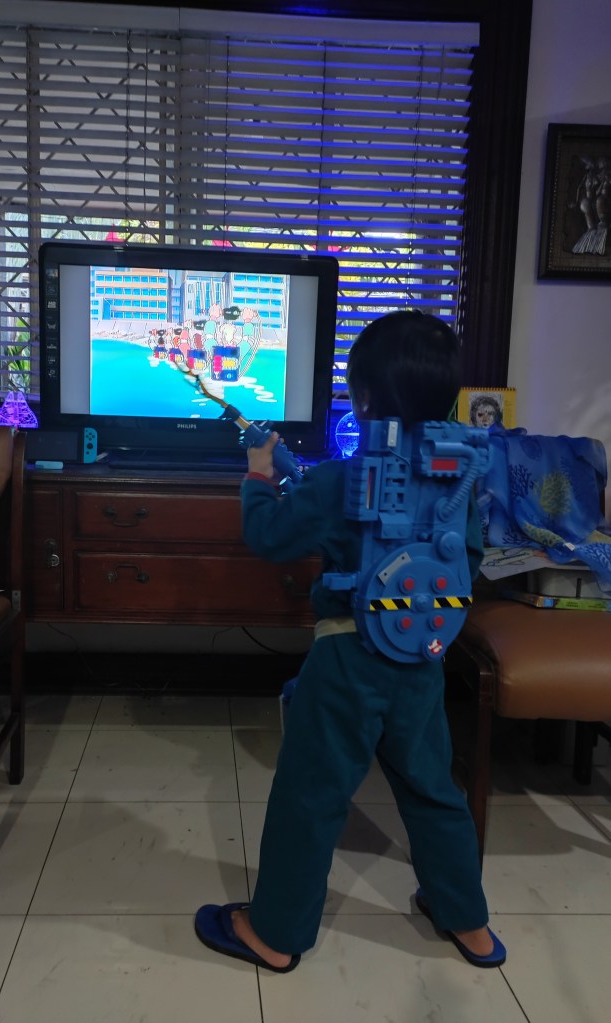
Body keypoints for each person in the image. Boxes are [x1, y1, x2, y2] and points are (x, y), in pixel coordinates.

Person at [194, 310, 506, 973]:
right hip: (421, 662)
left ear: (362, 398)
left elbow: (271, 536)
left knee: (311, 795)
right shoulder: (456, 479)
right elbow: (468, 559)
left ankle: (275, 934)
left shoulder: (341, 479)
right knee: (432, 789)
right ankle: (469, 922)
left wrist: (258, 473)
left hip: (344, 659)